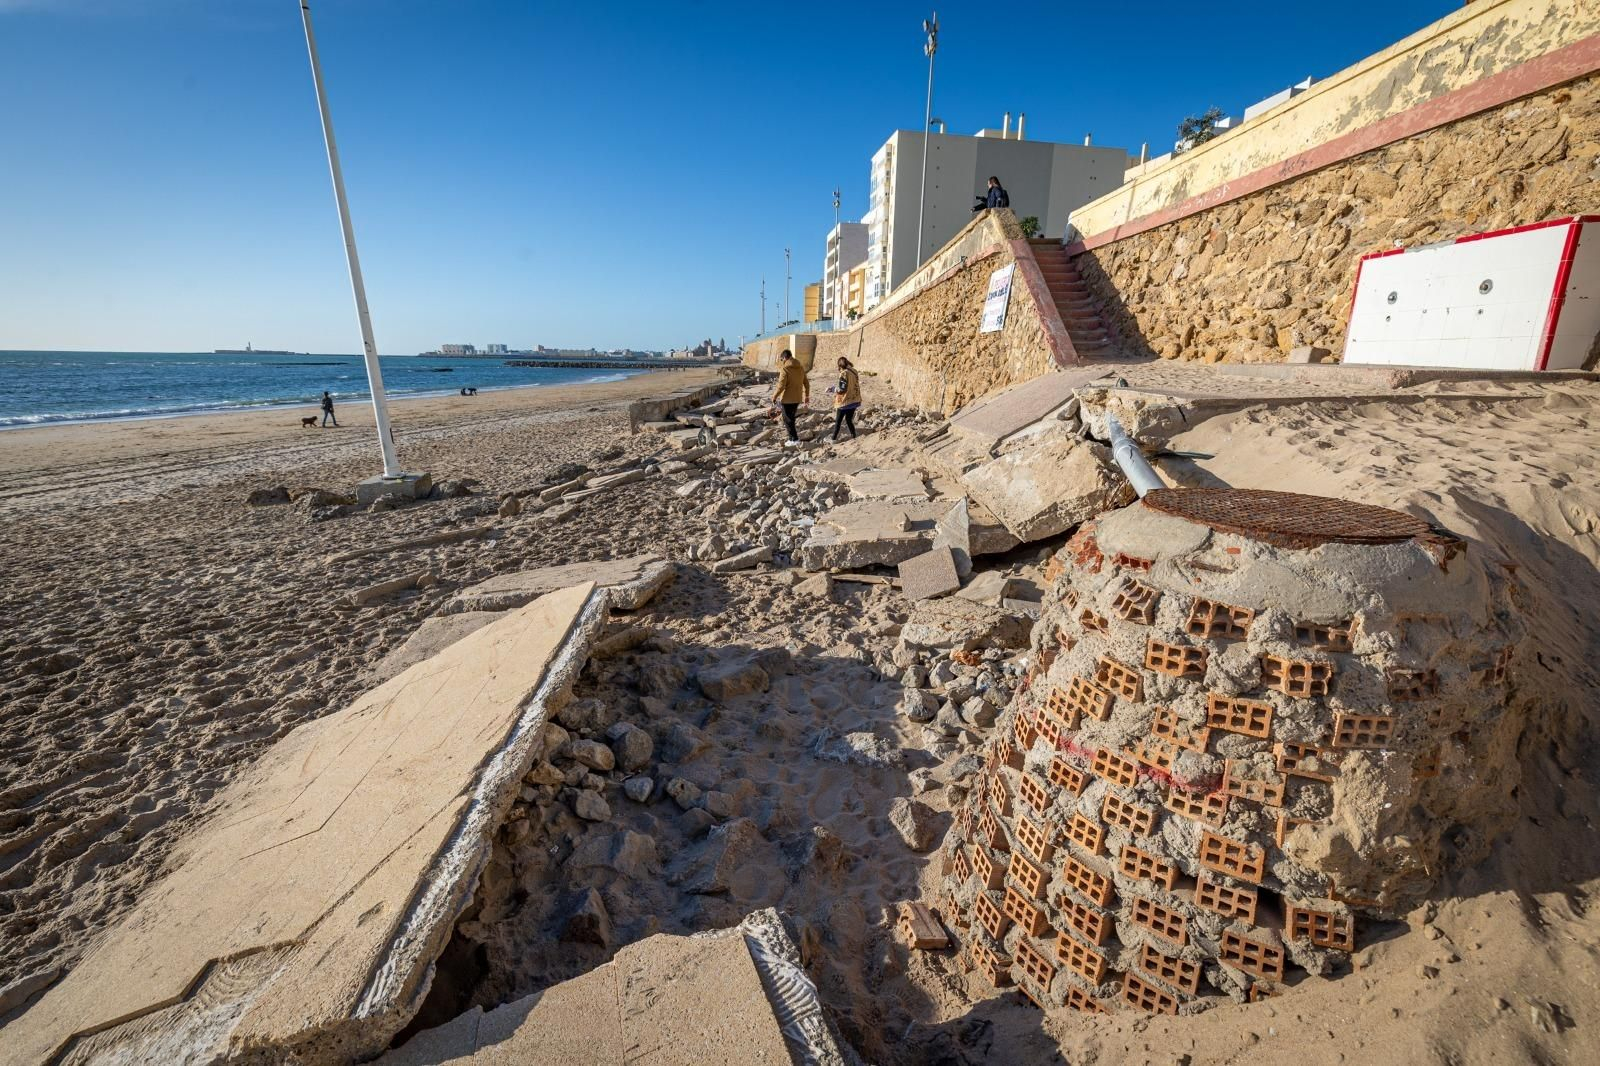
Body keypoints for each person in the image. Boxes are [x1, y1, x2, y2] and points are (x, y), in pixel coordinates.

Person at [771, 349, 809, 446]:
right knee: (791, 418)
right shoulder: (800, 368)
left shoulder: (785, 369)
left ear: (784, 358)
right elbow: (806, 383)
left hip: (787, 399)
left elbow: (781, 386)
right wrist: (807, 395)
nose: (782, 361)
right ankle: (792, 438)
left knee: (787, 419)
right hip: (797, 398)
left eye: (781, 359)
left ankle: (794, 439)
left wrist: (774, 396)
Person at [830, 357, 861, 441]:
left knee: (838, 422)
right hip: (854, 400)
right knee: (848, 419)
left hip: (845, 401)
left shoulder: (844, 373)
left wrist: (833, 389)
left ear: (840, 365)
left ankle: (833, 439)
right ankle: (853, 435)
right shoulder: (854, 371)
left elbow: (842, 389)